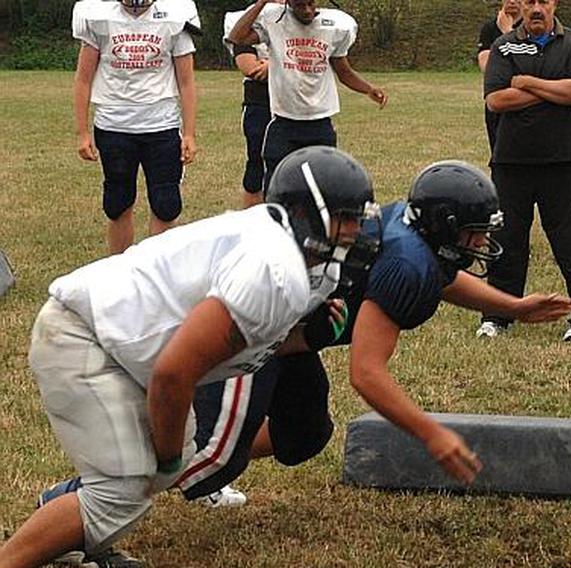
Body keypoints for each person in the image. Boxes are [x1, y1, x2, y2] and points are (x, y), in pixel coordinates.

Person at [0, 147, 377, 568]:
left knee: (155, 470)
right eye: (347, 218)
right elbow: (175, 373)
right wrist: (164, 456)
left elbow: (239, 345)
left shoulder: (309, 267)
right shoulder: (273, 267)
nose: (356, 230)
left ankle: (70, 544)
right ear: (305, 214)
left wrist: (305, 338)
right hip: (87, 338)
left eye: (360, 218)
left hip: (123, 347)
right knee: (129, 486)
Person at [170, 160, 571, 502]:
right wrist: (430, 433)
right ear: (445, 225)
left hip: (294, 332)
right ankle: (140, 466)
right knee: (207, 458)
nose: (483, 240)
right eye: (475, 230)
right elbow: (366, 372)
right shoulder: (407, 263)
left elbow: (443, 278)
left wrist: (514, 308)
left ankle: (207, 448)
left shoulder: (416, 236)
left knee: (305, 434)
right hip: (255, 325)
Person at [479, 0, 571, 342]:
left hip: (564, 161)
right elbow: (496, 100)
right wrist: (553, 89)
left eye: (543, 2)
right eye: (530, 1)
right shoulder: (503, 46)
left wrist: (527, 82)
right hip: (511, 162)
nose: (536, 8)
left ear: (554, 4)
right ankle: (498, 315)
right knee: (506, 241)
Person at [72, 0, 199, 255]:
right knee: (118, 203)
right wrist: (82, 132)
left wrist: (189, 133)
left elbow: (186, 82)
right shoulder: (99, 18)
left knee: (166, 204)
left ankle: (159, 278)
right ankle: (122, 277)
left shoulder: (175, 17)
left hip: (161, 125)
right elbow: (83, 78)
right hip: (114, 125)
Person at [227, 0, 388, 195]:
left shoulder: (334, 26)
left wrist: (368, 89)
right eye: (300, 5)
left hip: (320, 123)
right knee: (276, 189)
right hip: (284, 122)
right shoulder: (275, 21)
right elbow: (237, 37)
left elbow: (343, 70)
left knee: (323, 188)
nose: (307, 11)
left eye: (310, 4)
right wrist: (262, 2)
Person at [224, 5, 274, 209]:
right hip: (261, 102)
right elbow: (251, 69)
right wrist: (289, 64)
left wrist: (273, 65)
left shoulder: (302, 13)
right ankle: (254, 226)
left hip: (299, 102)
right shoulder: (242, 20)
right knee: (257, 166)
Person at [476, 0, 521, 153]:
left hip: (527, 105)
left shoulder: (533, 28)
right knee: (499, 156)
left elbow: (534, 69)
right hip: (498, 103)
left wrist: (508, 33)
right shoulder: (490, 28)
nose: (513, 1)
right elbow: (488, 69)